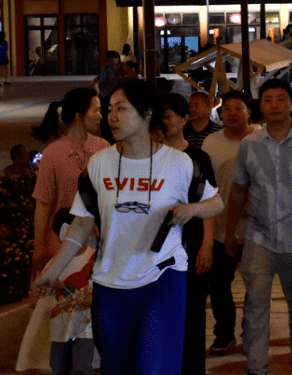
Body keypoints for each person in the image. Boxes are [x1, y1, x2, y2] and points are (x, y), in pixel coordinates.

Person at [33, 80, 224, 375]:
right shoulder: (99, 164)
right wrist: (54, 270)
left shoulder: (179, 163)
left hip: (163, 276)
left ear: (147, 113)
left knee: (152, 367)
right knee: (117, 368)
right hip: (110, 283)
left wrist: (191, 209)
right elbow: (83, 223)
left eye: (121, 109)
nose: (112, 117)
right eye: (110, 110)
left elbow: (215, 202)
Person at [224, 79, 292, 375]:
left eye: (280, 99)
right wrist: (230, 232)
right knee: (255, 304)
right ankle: (256, 366)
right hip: (259, 235)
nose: (274, 105)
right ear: (260, 106)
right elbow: (239, 190)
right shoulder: (249, 144)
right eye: (267, 100)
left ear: (291, 104)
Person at [19, 89, 109, 372]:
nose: (102, 115)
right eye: (96, 109)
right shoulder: (53, 153)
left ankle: (89, 363)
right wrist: (38, 247)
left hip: (98, 243)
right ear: (80, 116)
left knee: (91, 307)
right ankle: (60, 363)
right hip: (63, 244)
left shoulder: (105, 147)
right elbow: (43, 203)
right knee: (62, 309)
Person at [156, 93, 218, 375]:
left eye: (169, 116)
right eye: (160, 117)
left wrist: (206, 245)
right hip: (156, 249)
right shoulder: (149, 156)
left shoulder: (197, 157)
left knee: (192, 313)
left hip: (189, 243)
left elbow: (210, 204)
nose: (163, 123)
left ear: (183, 120)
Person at [201, 92, 252, 353]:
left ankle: (252, 331)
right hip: (220, 225)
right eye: (227, 109)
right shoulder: (211, 143)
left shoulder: (259, 138)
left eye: (238, 108)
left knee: (256, 282)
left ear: (248, 112)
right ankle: (224, 332)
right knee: (219, 284)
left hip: (256, 226)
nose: (232, 113)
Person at [44, 209, 96, 375]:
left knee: (81, 366)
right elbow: (44, 287)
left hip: (85, 327)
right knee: (58, 366)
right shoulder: (56, 262)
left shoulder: (95, 258)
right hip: (60, 326)